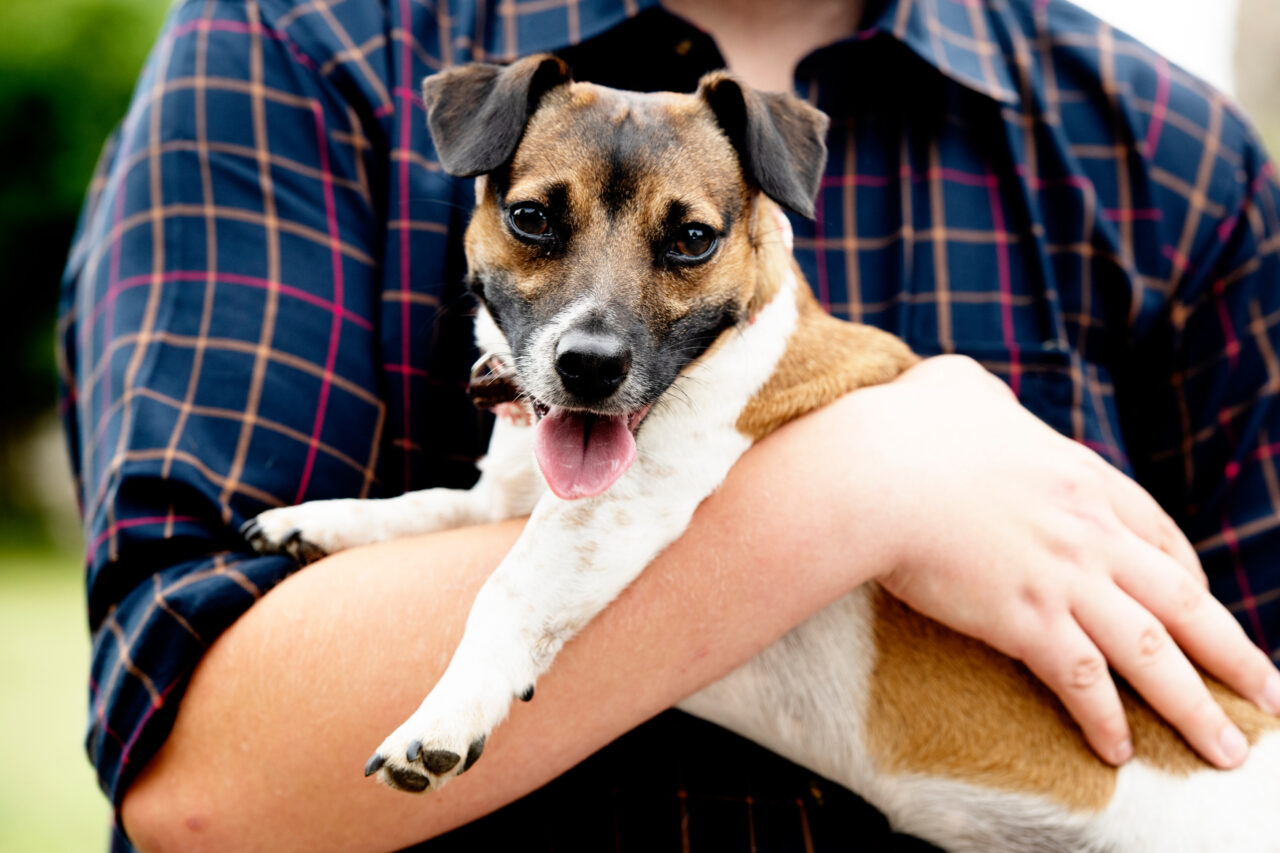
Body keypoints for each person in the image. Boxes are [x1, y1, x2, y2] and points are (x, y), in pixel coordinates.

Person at [59, 0, 1280, 849]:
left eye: (686, 242)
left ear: (760, 226)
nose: (596, 332)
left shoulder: (1170, 157)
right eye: (539, 222)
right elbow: (195, 784)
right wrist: (874, 481)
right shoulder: (295, 50)